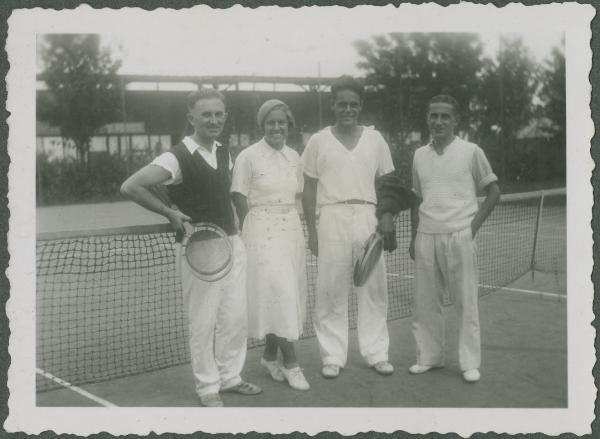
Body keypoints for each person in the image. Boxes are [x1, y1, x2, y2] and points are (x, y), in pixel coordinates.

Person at [120, 89, 261, 407]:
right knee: (203, 321)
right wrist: (170, 213)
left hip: (232, 243)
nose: (213, 120)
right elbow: (131, 185)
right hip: (199, 249)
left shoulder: (226, 152)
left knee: (234, 317)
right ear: (191, 118)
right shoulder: (176, 156)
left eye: (218, 114)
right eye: (206, 114)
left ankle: (231, 377)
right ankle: (208, 387)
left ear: (225, 116)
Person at [301, 76, 397, 379]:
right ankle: (332, 355)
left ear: (360, 106)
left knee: (373, 288)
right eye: (342, 104)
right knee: (330, 288)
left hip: (368, 217)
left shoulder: (375, 139)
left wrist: (386, 215)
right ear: (333, 105)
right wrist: (312, 232)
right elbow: (308, 189)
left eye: (353, 104)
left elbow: (388, 183)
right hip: (330, 218)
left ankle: (377, 353)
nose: (348, 109)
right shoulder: (318, 140)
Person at [402, 94, 500, 383]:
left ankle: (469, 363)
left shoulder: (471, 151)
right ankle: (429, 358)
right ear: (427, 119)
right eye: (434, 116)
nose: (439, 121)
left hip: (460, 235)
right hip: (426, 237)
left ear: (455, 120)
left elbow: (494, 192)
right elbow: (417, 198)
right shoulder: (419, 155)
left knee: (465, 302)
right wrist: (413, 237)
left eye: (445, 116)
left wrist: (472, 229)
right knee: (425, 304)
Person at [231, 99, 309, 391]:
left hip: (290, 228)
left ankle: (268, 356)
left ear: (288, 125)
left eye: (281, 122)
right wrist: (248, 228)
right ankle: (291, 364)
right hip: (261, 230)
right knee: (280, 292)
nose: (277, 128)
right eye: (270, 123)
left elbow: (297, 194)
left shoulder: (294, 157)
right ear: (262, 126)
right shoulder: (248, 157)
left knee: (286, 293)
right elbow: (238, 195)